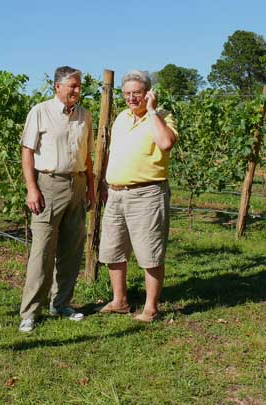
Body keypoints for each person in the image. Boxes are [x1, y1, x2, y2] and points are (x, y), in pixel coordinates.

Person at [18, 66, 95, 333]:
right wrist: (32, 188)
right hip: (48, 185)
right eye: (72, 85)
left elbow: (87, 156)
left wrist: (91, 189)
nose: (77, 90)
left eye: (79, 85)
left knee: (71, 250)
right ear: (57, 87)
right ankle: (30, 312)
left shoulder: (85, 115)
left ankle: (61, 303)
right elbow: (27, 152)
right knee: (42, 251)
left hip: (78, 184)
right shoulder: (40, 112)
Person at [98, 70, 178, 322]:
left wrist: (152, 111)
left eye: (138, 93)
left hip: (147, 194)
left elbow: (165, 143)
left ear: (149, 93)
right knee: (113, 249)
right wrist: (105, 183)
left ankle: (150, 308)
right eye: (128, 94)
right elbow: (114, 152)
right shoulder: (121, 118)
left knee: (149, 252)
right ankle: (119, 300)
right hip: (116, 193)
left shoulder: (163, 117)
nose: (132, 98)